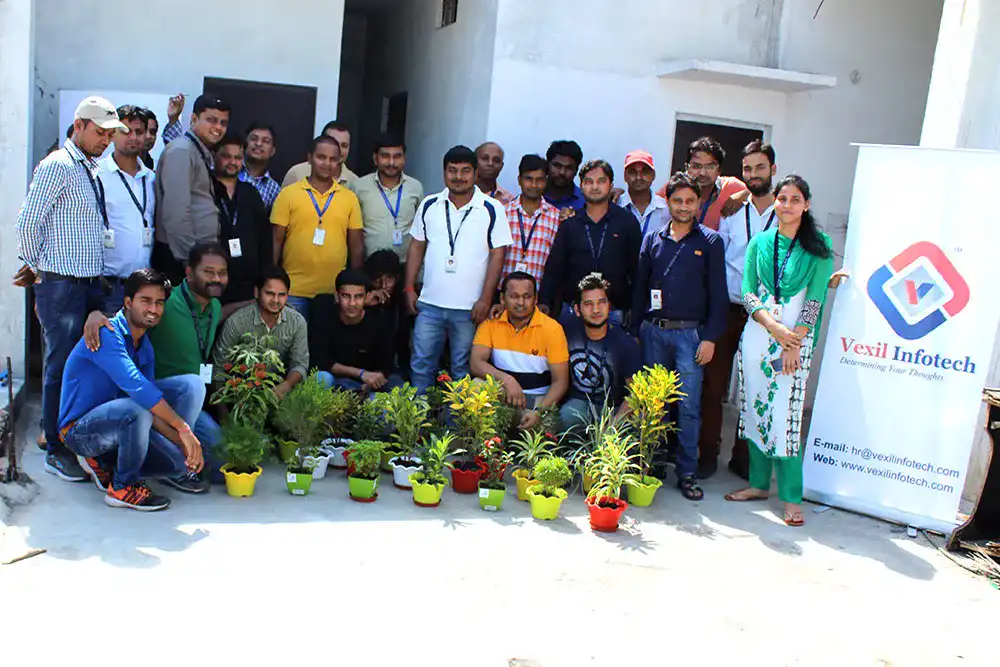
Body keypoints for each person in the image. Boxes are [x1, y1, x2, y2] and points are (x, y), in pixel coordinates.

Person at [15, 95, 128, 482]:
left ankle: (76, 440)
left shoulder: (89, 169)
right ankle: (55, 448)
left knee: (85, 365)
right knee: (60, 367)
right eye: (100, 132)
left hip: (89, 285)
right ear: (79, 125)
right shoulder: (58, 165)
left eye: (111, 134)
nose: (106, 140)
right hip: (62, 286)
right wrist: (40, 273)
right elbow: (28, 223)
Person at [725, 175, 833, 525]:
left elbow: (815, 300)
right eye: (782, 198)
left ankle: (790, 496)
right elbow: (748, 293)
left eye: (795, 199)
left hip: (795, 344)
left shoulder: (818, 247)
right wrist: (774, 328)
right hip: (758, 337)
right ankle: (758, 485)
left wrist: (792, 341)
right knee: (754, 411)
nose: (787, 205)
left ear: (806, 205)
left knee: (786, 418)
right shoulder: (760, 242)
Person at [59, 270, 206, 511]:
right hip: (80, 432)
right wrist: (183, 430)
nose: (153, 309)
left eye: (159, 303)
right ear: (128, 302)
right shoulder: (107, 333)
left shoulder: (144, 347)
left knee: (190, 387)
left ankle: (113, 463)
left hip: (121, 421)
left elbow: (151, 405)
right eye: (145, 301)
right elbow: (140, 391)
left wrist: (182, 444)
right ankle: (122, 487)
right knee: (137, 407)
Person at [633, 172, 727, 502]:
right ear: (668, 203)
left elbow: (719, 295)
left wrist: (710, 338)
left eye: (690, 201)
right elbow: (640, 289)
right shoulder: (652, 239)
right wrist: (636, 331)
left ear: (699, 203)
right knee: (653, 404)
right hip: (654, 333)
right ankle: (653, 464)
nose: (684, 206)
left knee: (688, 407)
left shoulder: (711, 242)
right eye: (677, 200)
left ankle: (687, 472)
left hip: (691, 336)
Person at [405, 145, 513, 391]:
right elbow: (417, 246)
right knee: (421, 365)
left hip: (469, 308)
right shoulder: (430, 204)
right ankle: (418, 414)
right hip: (430, 304)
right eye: (452, 170)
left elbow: (498, 255)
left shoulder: (491, 208)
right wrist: (409, 288)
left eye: (465, 171)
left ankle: (457, 418)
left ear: (475, 173)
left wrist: (486, 299)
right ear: (444, 172)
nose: (458, 176)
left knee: (462, 371)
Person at [711, 140, 778, 480]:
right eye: (747, 169)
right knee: (713, 384)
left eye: (760, 167)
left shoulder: (787, 214)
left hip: (764, 315)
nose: (753, 174)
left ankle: (744, 459)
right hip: (728, 306)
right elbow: (720, 257)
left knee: (755, 386)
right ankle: (706, 454)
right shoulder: (732, 212)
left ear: (773, 170)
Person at [145, 242, 228, 489]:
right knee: (192, 385)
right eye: (209, 272)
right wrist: (96, 317)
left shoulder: (214, 307)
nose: (216, 279)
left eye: (222, 273)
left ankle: (177, 458)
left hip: (191, 404)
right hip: (158, 398)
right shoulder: (166, 301)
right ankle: (177, 466)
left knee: (224, 463)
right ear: (189, 273)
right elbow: (128, 319)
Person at [271, 134, 364, 320]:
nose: (327, 163)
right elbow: (275, 241)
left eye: (332, 159)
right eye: (321, 157)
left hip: (333, 292)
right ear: (309, 158)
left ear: (339, 161)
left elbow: (356, 247)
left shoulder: (349, 198)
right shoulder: (288, 194)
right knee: (292, 338)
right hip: (293, 290)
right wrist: (271, 281)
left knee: (325, 339)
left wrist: (355, 286)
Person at [540, 159, 641, 325]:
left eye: (601, 181)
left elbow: (636, 270)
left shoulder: (627, 222)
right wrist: (544, 301)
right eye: (589, 181)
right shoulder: (570, 224)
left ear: (611, 185)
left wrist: (634, 310)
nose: (595, 187)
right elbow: (554, 268)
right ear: (581, 186)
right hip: (573, 311)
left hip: (614, 313)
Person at [471, 272, 569, 430]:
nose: (521, 302)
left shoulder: (552, 329)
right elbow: (476, 363)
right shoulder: (491, 324)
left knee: (542, 440)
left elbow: (561, 381)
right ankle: (484, 444)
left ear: (535, 299)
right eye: (514, 296)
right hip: (504, 395)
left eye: (527, 296)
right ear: (502, 299)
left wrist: (539, 411)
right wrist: (507, 380)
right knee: (476, 386)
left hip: (538, 403)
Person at [153, 94, 230, 285]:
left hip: (195, 257)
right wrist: (190, 262)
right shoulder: (182, 151)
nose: (218, 127)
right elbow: (176, 214)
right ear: (194, 119)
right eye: (211, 120)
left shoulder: (198, 151)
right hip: (180, 260)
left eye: (223, 122)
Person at [559, 273, 640, 430]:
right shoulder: (566, 331)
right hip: (579, 403)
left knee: (637, 422)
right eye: (588, 304)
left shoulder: (625, 343)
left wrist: (614, 425)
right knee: (566, 416)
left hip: (614, 408)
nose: (596, 310)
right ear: (577, 309)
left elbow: (635, 392)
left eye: (601, 302)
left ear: (609, 306)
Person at [213, 266, 307, 400]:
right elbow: (218, 368)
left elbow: (300, 365)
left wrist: (285, 386)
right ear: (257, 292)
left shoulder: (297, 322)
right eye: (270, 294)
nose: (276, 300)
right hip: (241, 393)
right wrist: (225, 409)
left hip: (281, 392)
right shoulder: (237, 322)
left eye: (282, 295)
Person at [98, 104, 157, 314]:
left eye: (139, 132)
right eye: (125, 131)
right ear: (112, 134)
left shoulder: (152, 179)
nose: (133, 137)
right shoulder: (97, 175)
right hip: (108, 284)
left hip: (144, 285)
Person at [213, 132, 272, 315]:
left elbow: (265, 240)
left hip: (248, 286)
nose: (232, 162)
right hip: (214, 283)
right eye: (226, 156)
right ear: (215, 156)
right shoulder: (205, 189)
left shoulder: (250, 192)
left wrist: (263, 282)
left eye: (238, 158)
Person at [312, 269, 399, 392]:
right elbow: (320, 361)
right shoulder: (325, 314)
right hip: (337, 379)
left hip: (369, 382)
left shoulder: (378, 320)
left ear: (367, 297)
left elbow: (386, 365)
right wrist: (361, 373)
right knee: (322, 378)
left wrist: (370, 383)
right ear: (337, 296)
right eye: (346, 296)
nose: (352, 303)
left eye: (358, 296)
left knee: (399, 387)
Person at [349, 133, 424, 262]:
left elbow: (421, 229)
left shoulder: (415, 187)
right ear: (375, 158)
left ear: (404, 159)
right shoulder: (358, 187)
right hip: (370, 265)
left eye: (397, 156)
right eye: (385, 156)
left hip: (404, 264)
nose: (391, 162)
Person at [656, 136, 747, 231]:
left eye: (710, 167)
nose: (703, 173)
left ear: (719, 170)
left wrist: (743, 195)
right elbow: (651, 204)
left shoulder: (731, 186)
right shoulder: (674, 188)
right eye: (696, 166)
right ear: (687, 168)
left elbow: (756, 190)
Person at [500, 154, 561, 289]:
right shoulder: (503, 213)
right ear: (519, 180)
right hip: (504, 292)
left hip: (538, 293)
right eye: (528, 179)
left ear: (546, 181)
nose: (534, 185)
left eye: (539, 180)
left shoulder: (556, 218)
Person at [365, 249, 410, 379]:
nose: (384, 285)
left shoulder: (402, 303)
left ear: (397, 278)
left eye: (389, 279)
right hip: (367, 372)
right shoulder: (364, 304)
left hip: (397, 370)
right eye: (377, 280)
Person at [282, 121, 357, 187]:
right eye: (333, 143)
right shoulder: (297, 174)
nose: (338, 150)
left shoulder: (355, 182)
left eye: (344, 145)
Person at [619, 150, 669, 240]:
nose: (639, 177)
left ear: (653, 175)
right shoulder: (616, 205)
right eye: (633, 172)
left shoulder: (666, 210)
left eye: (644, 171)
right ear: (625, 176)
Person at [239, 122, 281, 208]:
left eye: (266, 141)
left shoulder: (274, 190)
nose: (258, 144)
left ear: (272, 151)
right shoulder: (230, 169)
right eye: (254, 139)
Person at [138, 94, 184, 170]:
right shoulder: (118, 167)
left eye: (152, 132)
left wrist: (173, 119)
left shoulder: (158, 168)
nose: (148, 136)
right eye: (143, 131)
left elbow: (175, 151)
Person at [543, 140, 586, 219]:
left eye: (569, 168)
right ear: (547, 165)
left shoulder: (585, 202)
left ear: (576, 171)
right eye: (557, 165)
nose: (562, 172)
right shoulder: (533, 196)